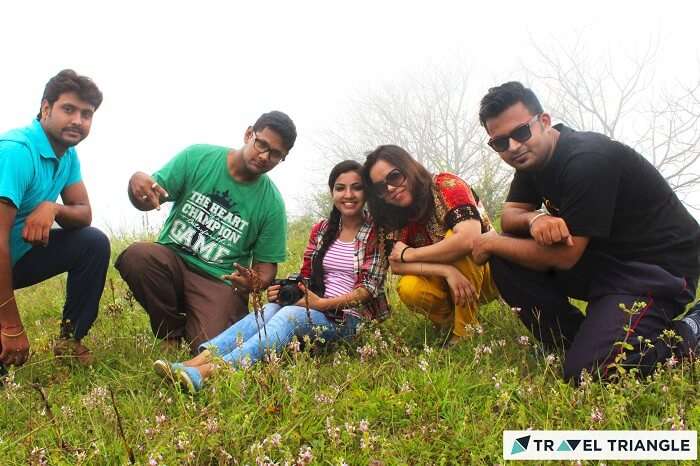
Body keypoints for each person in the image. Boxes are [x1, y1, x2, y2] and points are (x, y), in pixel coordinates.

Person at [472, 81, 700, 381]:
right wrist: (535, 220)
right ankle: (573, 340)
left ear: (543, 121)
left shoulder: (588, 160)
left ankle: (690, 329)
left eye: (520, 132)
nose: (512, 147)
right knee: (507, 256)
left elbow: (565, 257)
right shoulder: (531, 161)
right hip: (603, 262)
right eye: (500, 143)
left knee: (592, 374)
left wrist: (490, 243)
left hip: (656, 268)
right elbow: (511, 215)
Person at [153, 160, 390, 392]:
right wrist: (283, 289)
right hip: (315, 309)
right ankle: (191, 364)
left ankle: (210, 372)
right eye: (340, 188)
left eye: (356, 187)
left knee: (289, 316)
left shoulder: (377, 231)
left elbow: (367, 290)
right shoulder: (322, 228)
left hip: (349, 319)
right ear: (332, 192)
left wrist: (322, 304)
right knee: (268, 310)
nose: (348, 194)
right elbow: (306, 275)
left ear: (367, 191)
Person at [115, 111, 296, 351]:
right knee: (138, 257)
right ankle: (170, 333)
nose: (264, 156)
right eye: (261, 144)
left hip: (218, 281)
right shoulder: (198, 157)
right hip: (173, 260)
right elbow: (149, 198)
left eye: (275, 154)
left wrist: (251, 282)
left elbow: (266, 270)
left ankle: (201, 319)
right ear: (248, 134)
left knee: (210, 348)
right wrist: (135, 183)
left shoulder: (272, 203)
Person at [0, 69, 109, 370]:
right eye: (68, 109)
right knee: (6, 367)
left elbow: (84, 212)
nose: (78, 120)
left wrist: (54, 208)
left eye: (86, 114)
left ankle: (70, 341)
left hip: (15, 258)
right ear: (45, 108)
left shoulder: (67, 154)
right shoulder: (16, 152)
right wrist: (11, 326)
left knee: (92, 243)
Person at [363, 145, 499, 347]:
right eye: (381, 188)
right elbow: (397, 265)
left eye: (394, 177)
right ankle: (449, 323)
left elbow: (469, 239)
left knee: (455, 239)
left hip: (490, 271)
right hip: (447, 279)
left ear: (409, 168)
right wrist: (446, 271)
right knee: (409, 288)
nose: (390, 188)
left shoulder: (446, 185)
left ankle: (466, 331)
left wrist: (411, 253)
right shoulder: (391, 215)